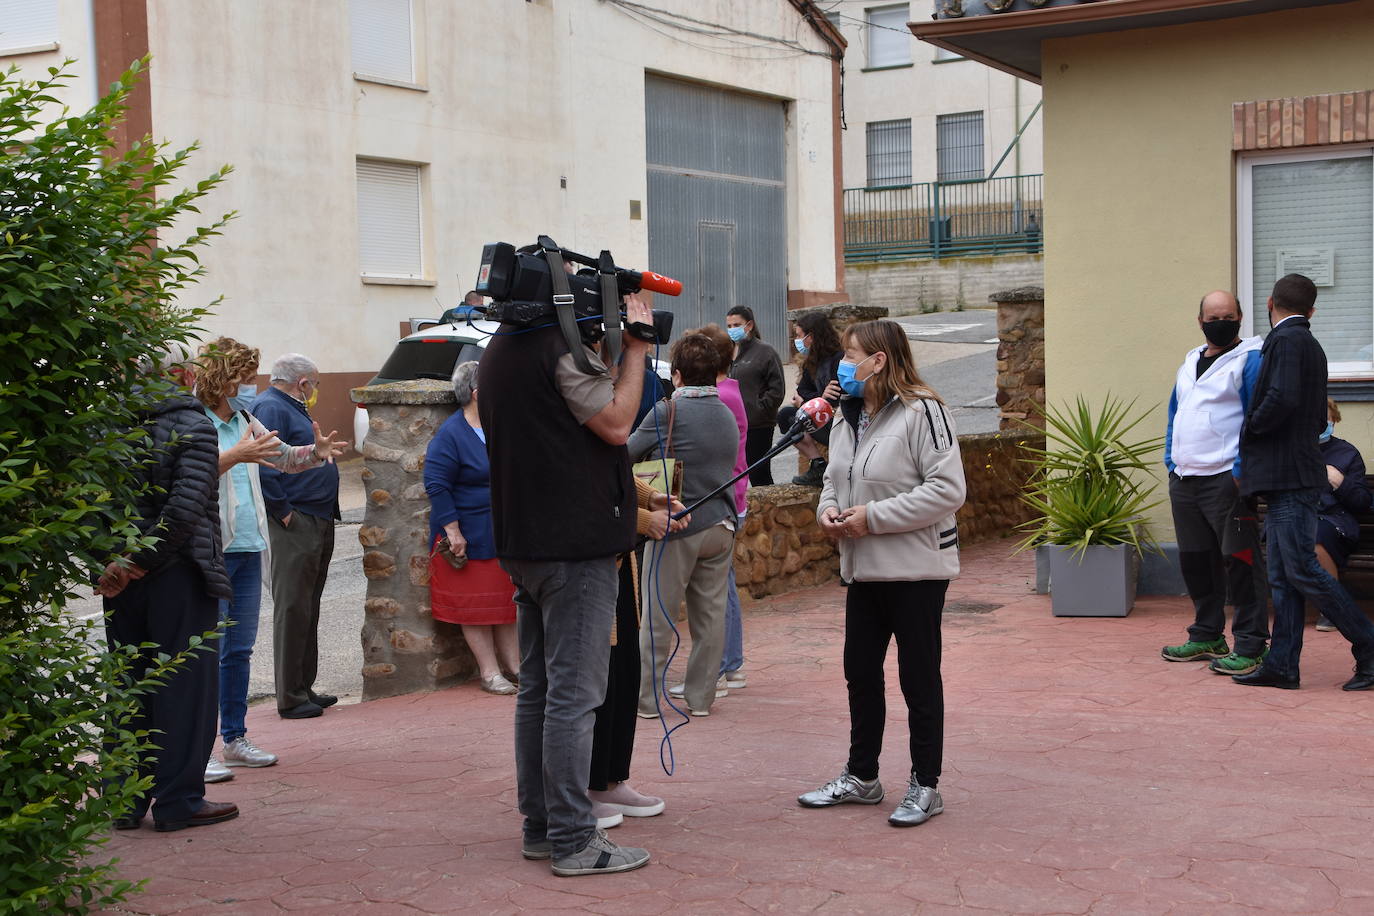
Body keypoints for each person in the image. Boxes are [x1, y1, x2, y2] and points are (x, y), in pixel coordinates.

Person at [479, 290, 660, 876]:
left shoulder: (501, 348)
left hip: (527, 545)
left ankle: (543, 827)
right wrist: (635, 349)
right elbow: (614, 423)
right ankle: (575, 839)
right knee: (574, 698)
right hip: (573, 552)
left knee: (539, 691)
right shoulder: (555, 348)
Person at [799, 319, 966, 828]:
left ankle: (926, 784)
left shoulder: (924, 411)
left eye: (853, 356)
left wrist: (872, 517)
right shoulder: (849, 416)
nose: (843, 364)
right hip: (863, 571)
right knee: (859, 674)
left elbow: (947, 490)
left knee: (918, 680)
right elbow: (834, 477)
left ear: (881, 361)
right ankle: (862, 775)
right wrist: (828, 511)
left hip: (915, 571)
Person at [194, 338, 347, 783]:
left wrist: (314, 454)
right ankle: (200, 750)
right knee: (206, 651)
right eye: (243, 379)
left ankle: (235, 739)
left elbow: (281, 459)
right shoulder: (194, 422)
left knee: (238, 650)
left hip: (247, 546)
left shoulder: (245, 416)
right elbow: (188, 475)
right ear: (222, 379)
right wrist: (234, 458)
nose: (251, 386)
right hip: (211, 549)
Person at [99, 357, 238, 833]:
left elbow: (88, 505)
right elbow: (187, 504)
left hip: (120, 577)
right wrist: (139, 562)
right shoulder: (191, 424)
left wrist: (111, 563)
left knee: (129, 684)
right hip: (178, 571)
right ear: (182, 377)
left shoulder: (106, 427)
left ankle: (124, 800)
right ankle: (179, 800)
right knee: (183, 687)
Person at [1233, 274, 1374, 691]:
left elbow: (1281, 399)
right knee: (1283, 574)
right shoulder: (1307, 342)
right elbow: (1312, 416)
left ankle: (1369, 645)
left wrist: (1251, 429)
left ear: (1270, 302)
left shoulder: (1289, 340)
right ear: (1312, 309)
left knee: (1301, 568)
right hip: (1291, 474)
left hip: (1290, 475)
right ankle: (1282, 665)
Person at [1159, 291, 1270, 675]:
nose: (1220, 322)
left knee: (1240, 561)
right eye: (1213, 316)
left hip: (1226, 480)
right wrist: (1171, 459)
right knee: (1196, 562)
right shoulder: (1190, 361)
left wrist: (1240, 470)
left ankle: (1252, 644)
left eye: (1228, 315)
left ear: (1239, 317)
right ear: (1200, 320)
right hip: (1185, 479)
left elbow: (1256, 419)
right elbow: (1176, 412)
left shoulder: (1250, 360)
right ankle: (1207, 633)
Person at [631, 333, 740, 718]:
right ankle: (700, 699)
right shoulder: (726, 412)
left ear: (676, 375)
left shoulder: (666, 412)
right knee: (710, 619)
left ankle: (645, 701)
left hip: (676, 525)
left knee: (658, 617)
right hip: (721, 525)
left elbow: (624, 453)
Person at [250, 354, 348, 719]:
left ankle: (304, 687)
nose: (316, 391)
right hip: (297, 519)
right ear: (302, 382)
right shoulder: (271, 407)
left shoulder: (290, 405)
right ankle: (290, 695)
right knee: (293, 606)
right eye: (316, 384)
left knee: (309, 605)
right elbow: (267, 464)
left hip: (317, 516)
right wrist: (285, 512)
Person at [587, 472, 686, 829]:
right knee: (594, 685)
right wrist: (643, 519)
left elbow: (614, 466)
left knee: (625, 671)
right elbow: (581, 487)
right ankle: (585, 787)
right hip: (583, 565)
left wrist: (652, 498)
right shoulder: (573, 419)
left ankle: (612, 780)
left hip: (617, 561)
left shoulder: (605, 424)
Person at [423, 360, 521, 695]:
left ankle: (516, 666)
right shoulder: (451, 434)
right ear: (478, 394)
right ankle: (489, 672)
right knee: (476, 607)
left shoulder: (499, 426)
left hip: (501, 532)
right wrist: (453, 532)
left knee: (506, 603)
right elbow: (436, 485)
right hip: (467, 534)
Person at [694, 324, 750, 691]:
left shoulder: (722, 397)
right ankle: (729, 663)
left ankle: (726, 662)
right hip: (731, 497)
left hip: (726, 499)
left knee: (718, 588)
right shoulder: (728, 391)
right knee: (721, 585)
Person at [1313, 399, 1371, 632]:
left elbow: (1362, 503)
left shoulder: (1347, 453)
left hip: (1336, 521)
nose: (1320, 423)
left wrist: (1340, 482)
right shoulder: (1294, 451)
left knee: (1315, 536)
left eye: (1325, 418)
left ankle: (1332, 606)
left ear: (1334, 420)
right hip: (1296, 515)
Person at [777, 311, 844, 487]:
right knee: (786, 415)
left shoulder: (838, 359)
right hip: (819, 417)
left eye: (799, 336)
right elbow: (801, 391)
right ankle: (818, 463)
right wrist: (819, 397)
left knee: (797, 415)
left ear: (811, 336)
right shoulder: (812, 361)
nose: (796, 341)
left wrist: (810, 400)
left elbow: (835, 398)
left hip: (836, 424)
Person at [725, 306, 784, 486]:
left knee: (759, 473)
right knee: (733, 474)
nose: (732, 329)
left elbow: (777, 390)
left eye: (736, 324)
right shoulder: (727, 351)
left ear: (749, 325)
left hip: (758, 425)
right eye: (728, 326)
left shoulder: (765, 352)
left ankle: (769, 512)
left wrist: (759, 409)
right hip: (732, 425)